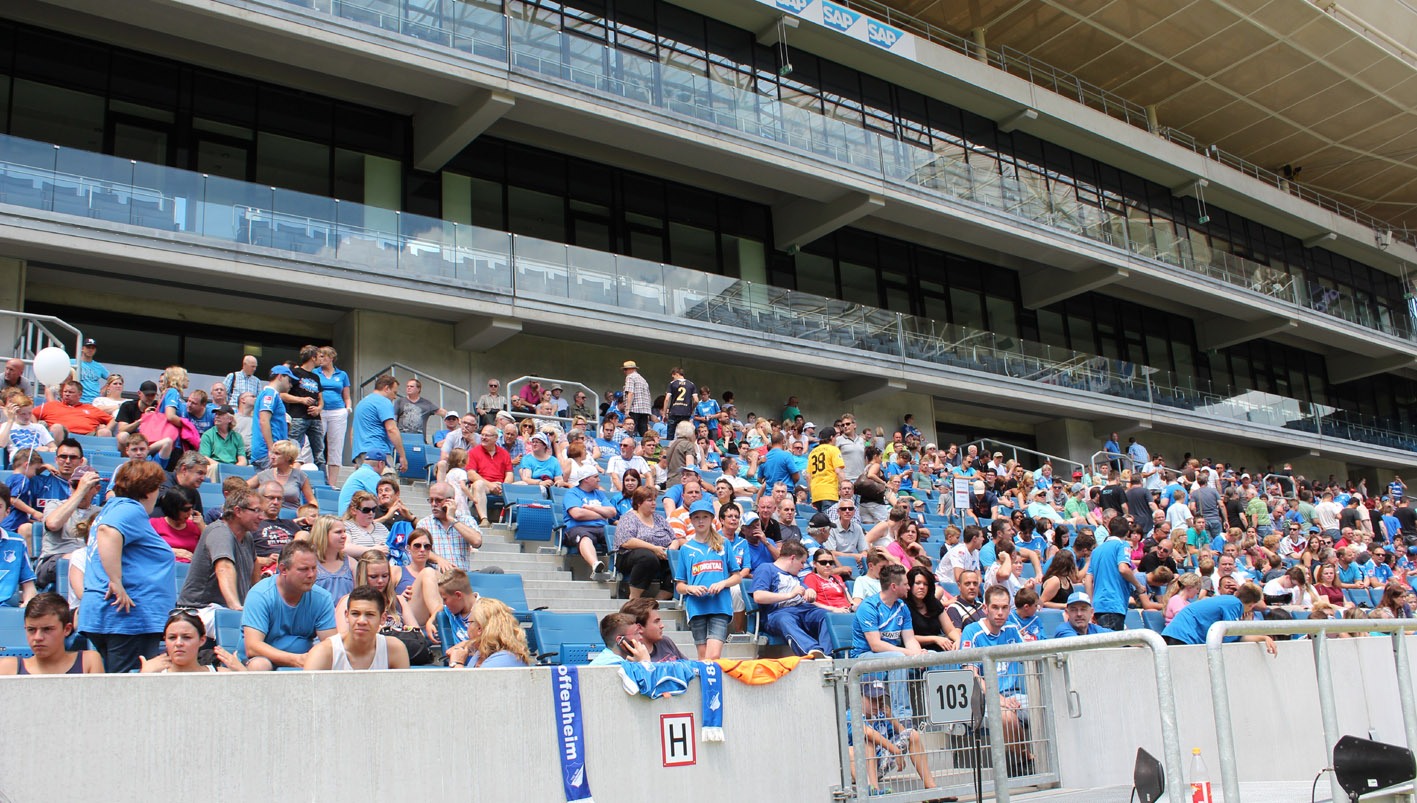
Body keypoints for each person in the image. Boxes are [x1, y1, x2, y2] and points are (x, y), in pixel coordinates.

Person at [76, 460, 173, 672]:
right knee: (129, 690)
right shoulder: (130, 509)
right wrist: (116, 580)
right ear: (148, 490)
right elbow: (108, 532)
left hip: (115, 616)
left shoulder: (113, 507)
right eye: (158, 488)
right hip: (127, 618)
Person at [240, 540, 338, 670]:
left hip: (303, 659)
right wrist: (297, 660)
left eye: (314, 568)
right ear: (283, 569)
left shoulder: (322, 598)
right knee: (260, 665)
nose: (311, 575)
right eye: (303, 569)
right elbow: (253, 647)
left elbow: (330, 644)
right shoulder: (260, 595)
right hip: (261, 659)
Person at [176, 488, 262, 616]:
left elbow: (255, 565)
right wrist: (235, 607)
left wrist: (259, 601)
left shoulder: (247, 537)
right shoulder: (219, 531)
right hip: (197, 611)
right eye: (256, 511)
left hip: (223, 610)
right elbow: (224, 567)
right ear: (238, 511)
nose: (261, 516)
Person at [674, 499, 741, 659]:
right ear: (691, 520)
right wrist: (690, 588)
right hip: (697, 607)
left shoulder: (724, 544)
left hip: (719, 605)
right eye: (696, 517)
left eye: (705, 517)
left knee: (713, 656)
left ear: (712, 519)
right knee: (703, 657)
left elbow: (737, 577)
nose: (701, 521)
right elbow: (680, 585)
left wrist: (722, 583)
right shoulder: (686, 549)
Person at [301, 585, 410, 671]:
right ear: (346, 615)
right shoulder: (323, 653)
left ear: (383, 618)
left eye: (370, 614)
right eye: (355, 614)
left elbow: (405, 695)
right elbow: (308, 697)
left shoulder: (394, 650)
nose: (361, 621)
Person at [751, 540, 831, 656]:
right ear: (792, 558)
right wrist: (789, 595)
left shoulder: (794, 576)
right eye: (802, 562)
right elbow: (758, 596)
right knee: (785, 619)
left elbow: (804, 590)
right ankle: (811, 652)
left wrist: (810, 591)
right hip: (777, 613)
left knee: (826, 615)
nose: (803, 567)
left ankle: (827, 655)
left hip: (803, 609)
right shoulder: (766, 568)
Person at [0, 593, 103, 675]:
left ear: (67, 629)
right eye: (31, 630)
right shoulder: (8, 668)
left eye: (47, 629)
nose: (38, 637)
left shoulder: (88, 662)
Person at [1161, 582, 1276, 654]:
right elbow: (1229, 635)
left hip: (1176, 634)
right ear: (1251, 605)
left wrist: (1263, 638)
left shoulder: (1227, 600)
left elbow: (1234, 635)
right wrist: (1262, 637)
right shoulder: (1235, 604)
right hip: (1183, 636)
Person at [613, 485, 679, 601]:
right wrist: (653, 548)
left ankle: (658, 600)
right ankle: (634, 598)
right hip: (629, 557)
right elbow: (626, 541)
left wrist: (671, 551)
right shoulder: (628, 518)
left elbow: (674, 538)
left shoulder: (659, 519)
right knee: (647, 557)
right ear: (639, 503)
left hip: (661, 555)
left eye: (654, 500)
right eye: (649, 500)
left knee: (677, 561)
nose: (654, 503)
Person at [138, 610, 245, 673]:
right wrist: (143, 678)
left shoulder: (218, 674)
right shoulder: (153, 673)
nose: (179, 643)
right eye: (172, 637)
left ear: (202, 640)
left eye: (187, 637)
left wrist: (242, 672)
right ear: (165, 640)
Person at [335, 552, 416, 633]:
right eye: (373, 577)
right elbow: (342, 640)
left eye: (385, 576)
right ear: (362, 576)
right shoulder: (348, 601)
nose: (380, 581)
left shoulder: (398, 600)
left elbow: (418, 634)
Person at [446, 597, 532, 668]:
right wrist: (468, 643)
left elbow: (470, 687)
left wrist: (457, 663)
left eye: (469, 623)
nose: (467, 627)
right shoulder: (480, 654)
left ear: (479, 628)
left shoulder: (505, 659)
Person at [565, 463, 616, 577]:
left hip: (602, 528)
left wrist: (591, 508)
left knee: (619, 535)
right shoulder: (572, 493)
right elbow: (577, 514)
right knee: (584, 536)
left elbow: (612, 512)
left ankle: (618, 569)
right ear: (586, 479)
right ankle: (595, 564)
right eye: (596, 477)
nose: (599, 480)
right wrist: (602, 514)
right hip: (578, 528)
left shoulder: (599, 494)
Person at [418, 482, 482, 571]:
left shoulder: (466, 520)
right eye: (431, 500)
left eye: (438, 500)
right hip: (437, 576)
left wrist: (452, 519)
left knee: (495, 570)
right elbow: (419, 549)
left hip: (461, 576)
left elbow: (477, 541)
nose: (433, 504)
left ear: (451, 500)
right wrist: (439, 560)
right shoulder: (424, 524)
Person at [282, 346, 325, 474]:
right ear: (313, 357)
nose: (321, 359)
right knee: (294, 449)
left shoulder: (316, 377)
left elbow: (321, 399)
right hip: (298, 417)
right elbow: (283, 395)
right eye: (319, 356)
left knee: (320, 452)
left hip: (315, 418)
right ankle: (289, 475)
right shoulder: (295, 373)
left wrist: (318, 408)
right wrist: (301, 400)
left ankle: (324, 480)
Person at [351, 374, 407, 473]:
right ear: (386, 388)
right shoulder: (383, 402)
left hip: (360, 453)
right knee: (388, 486)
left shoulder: (361, 403)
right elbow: (391, 429)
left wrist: (356, 456)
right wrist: (402, 456)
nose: (394, 397)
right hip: (379, 453)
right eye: (394, 392)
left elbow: (352, 433)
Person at [314, 346, 352, 487]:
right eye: (319, 356)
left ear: (331, 358)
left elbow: (347, 395)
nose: (320, 359)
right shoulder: (315, 372)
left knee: (336, 446)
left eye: (323, 356)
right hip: (320, 411)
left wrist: (347, 408)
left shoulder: (342, 374)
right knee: (317, 444)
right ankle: (316, 479)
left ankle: (332, 483)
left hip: (338, 411)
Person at [465, 424, 512, 527]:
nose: (483, 437)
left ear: (496, 438)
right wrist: (490, 485)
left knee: (523, 484)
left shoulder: (504, 453)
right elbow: (471, 474)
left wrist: (504, 486)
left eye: (487, 435)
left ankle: (514, 520)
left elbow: (509, 474)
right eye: (482, 435)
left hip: (500, 486)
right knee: (478, 484)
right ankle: (484, 519)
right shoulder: (473, 452)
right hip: (484, 485)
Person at [35, 379, 113, 439]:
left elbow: (112, 420)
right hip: (62, 438)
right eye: (65, 391)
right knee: (57, 427)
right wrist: (36, 427)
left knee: (105, 432)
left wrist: (106, 428)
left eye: (71, 392)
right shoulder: (52, 405)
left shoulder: (90, 408)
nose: (67, 394)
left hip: (88, 438)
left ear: (79, 395)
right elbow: (31, 414)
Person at [251, 366, 294, 471]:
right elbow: (264, 420)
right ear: (280, 377)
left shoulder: (269, 394)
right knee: (272, 486)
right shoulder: (270, 394)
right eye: (289, 380)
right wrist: (272, 449)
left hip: (267, 452)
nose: (291, 385)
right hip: (267, 453)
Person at [620, 597, 685, 661]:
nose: (662, 625)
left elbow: (689, 668)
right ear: (639, 628)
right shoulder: (629, 658)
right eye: (656, 621)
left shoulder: (665, 642)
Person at [310, 514, 355, 601]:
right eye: (338, 532)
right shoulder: (309, 563)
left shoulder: (351, 563)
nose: (344, 536)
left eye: (344, 531)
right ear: (323, 534)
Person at [150, 490, 202, 562]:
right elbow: (144, 548)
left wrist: (203, 527)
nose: (190, 513)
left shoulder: (195, 525)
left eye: (191, 508)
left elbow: (213, 548)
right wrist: (172, 551)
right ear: (173, 509)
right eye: (185, 509)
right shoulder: (153, 524)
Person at [1, 393, 55, 460]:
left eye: (29, 413)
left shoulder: (39, 427)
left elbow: (53, 447)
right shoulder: (7, 426)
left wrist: (50, 449)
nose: (27, 417)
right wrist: (10, 421)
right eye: (23, 414)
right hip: (18, 459)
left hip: (37, 459)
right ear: (14, 412)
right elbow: (1, 444)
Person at [341, 491, 390, 560]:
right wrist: (372, 550)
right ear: (353, 510)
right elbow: (344, 547)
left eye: (374, 509)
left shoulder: (381, 527)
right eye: (366, 510)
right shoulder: (346, 526)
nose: (371, 513)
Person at [199, 405, 246, 478]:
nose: (217, 416)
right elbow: (204, 457)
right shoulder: (208, 435)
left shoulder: (237, 437)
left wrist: (233, 469)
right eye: (216, 414)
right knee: (212, 468)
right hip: (215, 468)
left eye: (220, 414)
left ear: (230, 419)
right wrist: (222, 468)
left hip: (233, 469)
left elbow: (242, 459)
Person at [621, 360, 652, 436]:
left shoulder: (630, 377)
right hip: (645, 409)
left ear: (631, 369)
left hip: (634, 408)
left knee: (631, 430)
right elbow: (649, 396)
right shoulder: (643, 380)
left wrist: (627, 409)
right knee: (643, 431)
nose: (624, 371)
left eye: (625, 369)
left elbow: (630, 393)